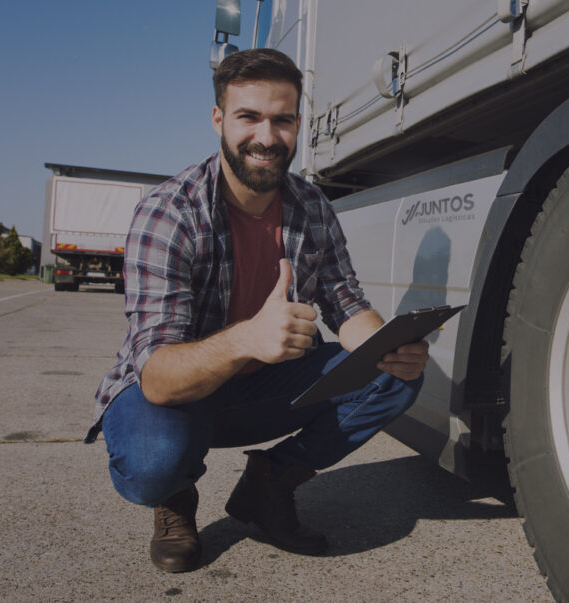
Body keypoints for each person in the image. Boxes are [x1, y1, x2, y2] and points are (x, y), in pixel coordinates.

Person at [86, 48, 430, 573]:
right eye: (249, 117)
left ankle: (270, 483)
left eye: (282, 120)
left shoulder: (313, 207)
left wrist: (389, 348)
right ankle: (175, 496)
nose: (267, 137)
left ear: (297, 123)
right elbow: (156, 376)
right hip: (178, 396)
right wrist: (247, 338)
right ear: (219, 119)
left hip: (263, 388)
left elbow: (347, 304)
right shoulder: (169, 213)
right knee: (153, 464)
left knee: (396, 377)